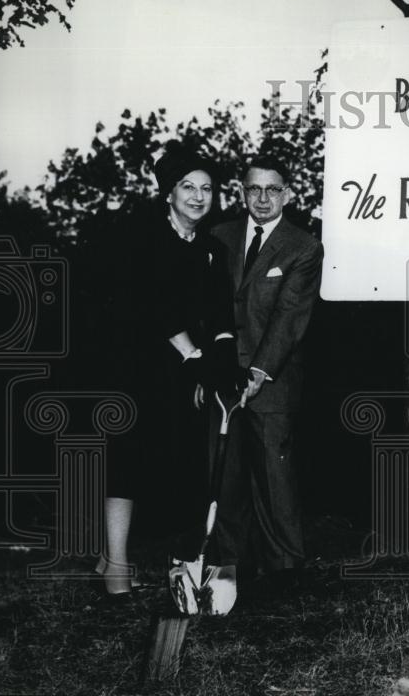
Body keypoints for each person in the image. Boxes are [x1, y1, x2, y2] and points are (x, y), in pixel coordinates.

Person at [100, 141, 248, 598]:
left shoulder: (211, 247)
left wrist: (222, 357)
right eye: (188, 187)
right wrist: (196, 357)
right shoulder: (145, 236)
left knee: (172, 462)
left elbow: (222, 312)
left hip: (185, 370)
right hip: (136, 363)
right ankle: (117, 568)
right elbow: (154, 307)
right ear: (169, 192)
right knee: (128, 461)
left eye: (207, 188)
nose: (199, 196)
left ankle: (168, 564)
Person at [210, 155, 323, 590]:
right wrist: (209, 372)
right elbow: (207, 309)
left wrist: (257, 372)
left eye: (272, 189)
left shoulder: (303, 247)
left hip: (270, 382)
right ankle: (229, 572)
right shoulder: (218, 237)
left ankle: (286, 573)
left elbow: (289, 317)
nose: (262, 198)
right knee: (224, 475)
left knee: (275, 481)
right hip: (221, 380)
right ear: (242, 192)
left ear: (287, 194)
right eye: (254, 189)